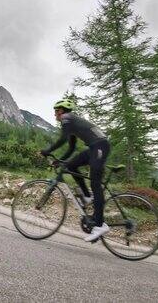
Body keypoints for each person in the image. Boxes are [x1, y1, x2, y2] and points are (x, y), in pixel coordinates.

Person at [40, 99, 111, 242]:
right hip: (94, 148)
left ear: (61, 111)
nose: (55, 115)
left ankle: (100, 225)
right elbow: (71, 147)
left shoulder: (67, 118)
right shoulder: (72, 122)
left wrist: (47, 151)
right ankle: (87, 196)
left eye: (56, 111)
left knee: (95, 184)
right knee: (71, 166)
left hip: (100, 146)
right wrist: (60, 160)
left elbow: (62, 139)